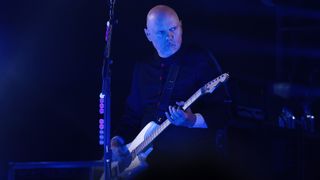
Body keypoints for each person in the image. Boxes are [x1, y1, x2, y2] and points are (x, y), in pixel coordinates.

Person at [103, 4, 233, 179]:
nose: (170, 36)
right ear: (148, 35)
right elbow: (132, 114)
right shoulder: (142, 68)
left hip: (188, 163)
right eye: (161, 33)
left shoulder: (200, 60)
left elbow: (225, 111)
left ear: (181, 25)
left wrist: (192, 120)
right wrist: (117, 140)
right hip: (146, 164)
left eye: (173, 29)